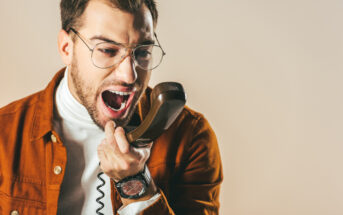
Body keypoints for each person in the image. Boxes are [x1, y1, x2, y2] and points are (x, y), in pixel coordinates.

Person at [0, 0, 223, 214]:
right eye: (107, 50)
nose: (129, 75)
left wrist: (136, 186)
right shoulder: (4, 135)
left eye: (143, 52)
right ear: (67, 48)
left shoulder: (190, 136)